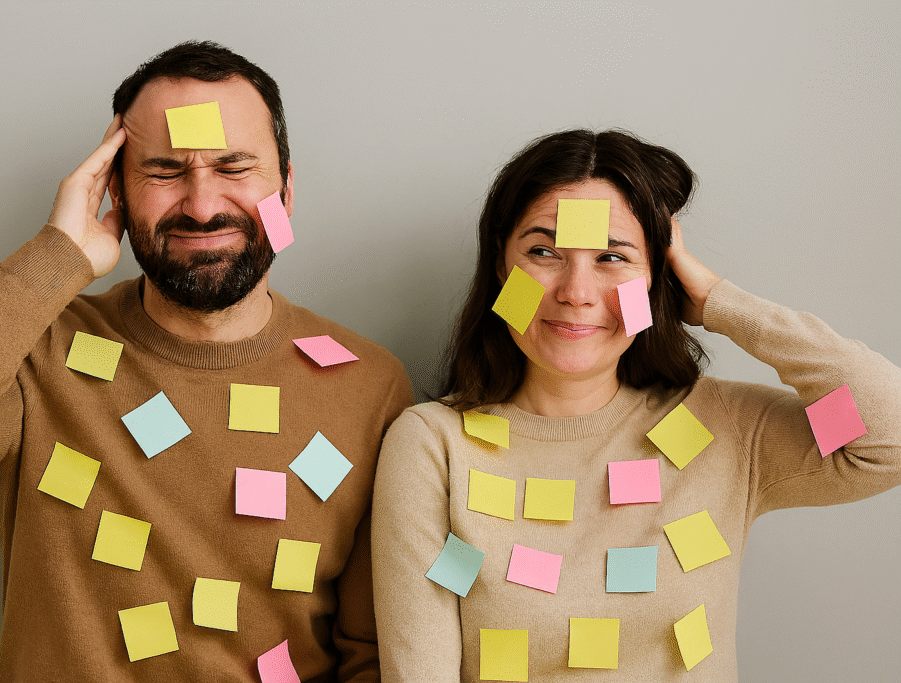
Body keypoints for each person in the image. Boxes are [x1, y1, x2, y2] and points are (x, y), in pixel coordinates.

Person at [0, 41, 411, 681]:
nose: (202, 204)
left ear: (287, 191)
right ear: (116, 194)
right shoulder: (37, 352)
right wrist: (57, 257)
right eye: (163, 172)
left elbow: (372, 649)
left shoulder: (368, 382)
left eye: (234, 167)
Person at [370, 129, 901, 681]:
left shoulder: (727, 429)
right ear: (503, 269)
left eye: (611, 258)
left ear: (656, 281)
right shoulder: (433, 443)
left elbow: (890, 433)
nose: (576, 292)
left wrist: (720, 302)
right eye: (543, 252)